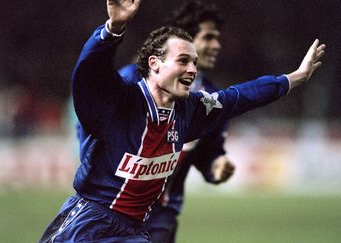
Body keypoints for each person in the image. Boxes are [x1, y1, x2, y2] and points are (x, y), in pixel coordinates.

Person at [39, 0, 325, 242]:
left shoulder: (192, 109)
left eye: (194, 63)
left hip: (136, 229)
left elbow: (241, 97)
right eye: (183, 61)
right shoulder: (121, 99)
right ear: (155, 63)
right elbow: (90, 72)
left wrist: (292, 79)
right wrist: (113, 30)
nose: (192, 70)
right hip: (88, 223)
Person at [118, 2, 235, 242]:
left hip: (161, 217)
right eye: (209, 37)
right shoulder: (132, 79)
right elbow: (93, 126)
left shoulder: (211, 98)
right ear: (186, 40)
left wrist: (216, 165)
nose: (216, 45)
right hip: (114, 210)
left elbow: (209, 151)